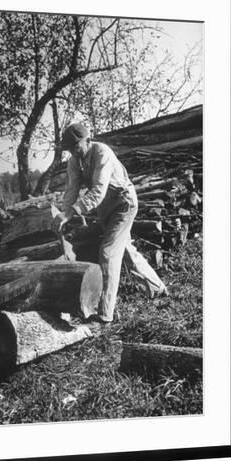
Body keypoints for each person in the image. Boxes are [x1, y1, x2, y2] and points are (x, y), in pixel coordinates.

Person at [52, 123, 167, 328]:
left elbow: (98, 190)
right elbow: (72, 190)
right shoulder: (74, 162)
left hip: (123, 203)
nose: (73, 151)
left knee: (107, 253)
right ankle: (157, 288)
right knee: (125, 250)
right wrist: (63, 213)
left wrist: (71, 212)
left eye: (76, 146)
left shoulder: (102, 152)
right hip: (106, 208)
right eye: (69, 148)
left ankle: (104, 315)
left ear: (88, 140)